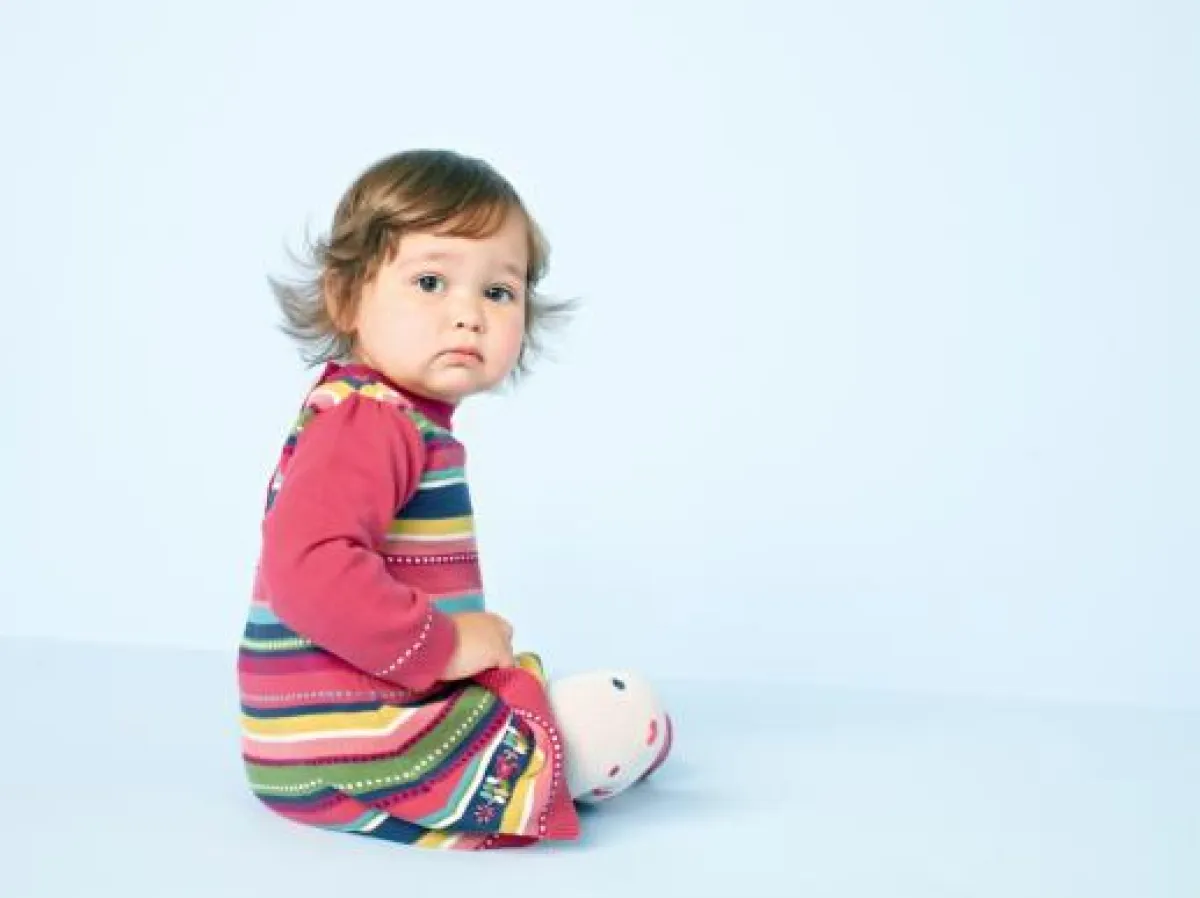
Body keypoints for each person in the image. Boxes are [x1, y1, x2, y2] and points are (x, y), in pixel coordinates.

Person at [237, 149, 671, 850]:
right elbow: (307, 567)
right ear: (347, 298)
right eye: (431, 282)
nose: (468, 314)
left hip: (319, 729)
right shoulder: (371, 421)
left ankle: (577, 737)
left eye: (498, 292)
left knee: (540, 695)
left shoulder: (384, 415)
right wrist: (441, 645)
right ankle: (586, 749)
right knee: (616, 716)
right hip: (350, 733)